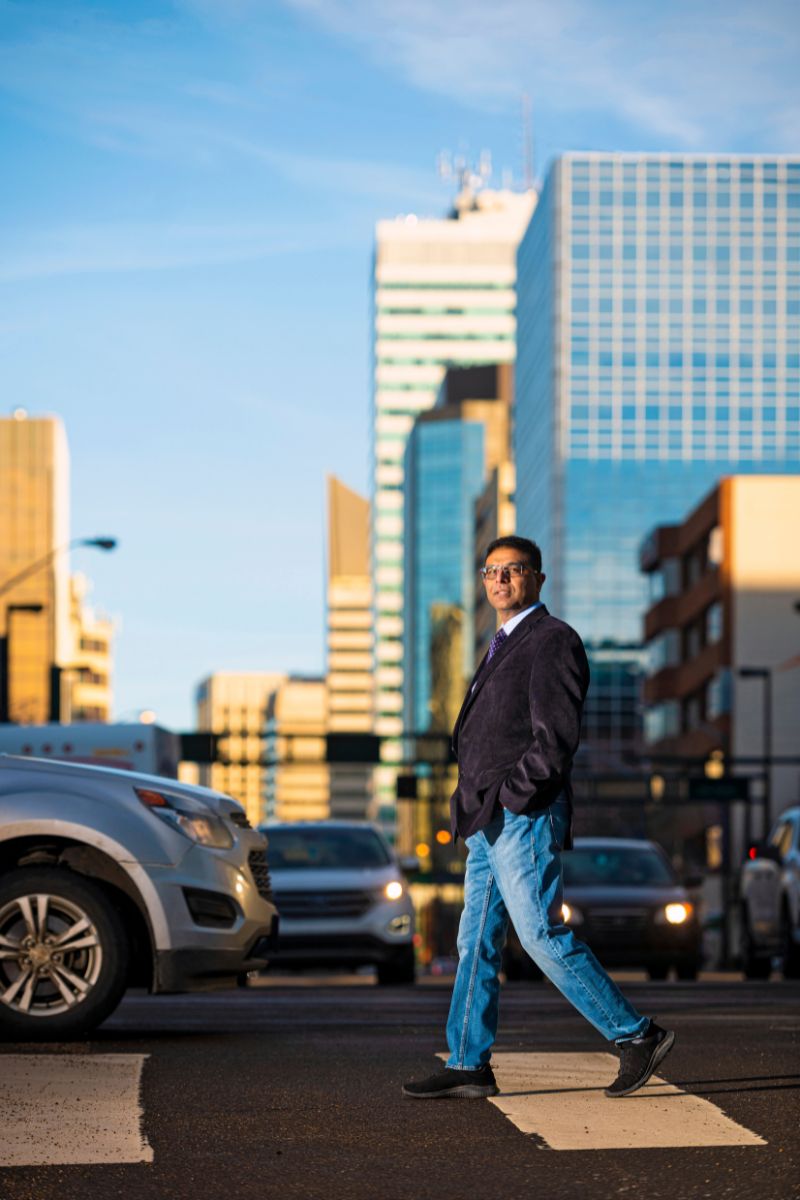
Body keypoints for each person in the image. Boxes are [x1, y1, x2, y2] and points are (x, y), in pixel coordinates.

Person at [403, 535, 674, 1101]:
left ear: (538, 579)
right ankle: (468, 1062)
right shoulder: (499, 644)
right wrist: (472, 804)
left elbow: (555, 740)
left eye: (514, 570)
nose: (500, 580)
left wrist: (512, 796)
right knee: (474, 940)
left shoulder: (552, 640)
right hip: (486, 823)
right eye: (492, 571)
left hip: (521, 815)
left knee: (540, 932)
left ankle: (636, 1035)